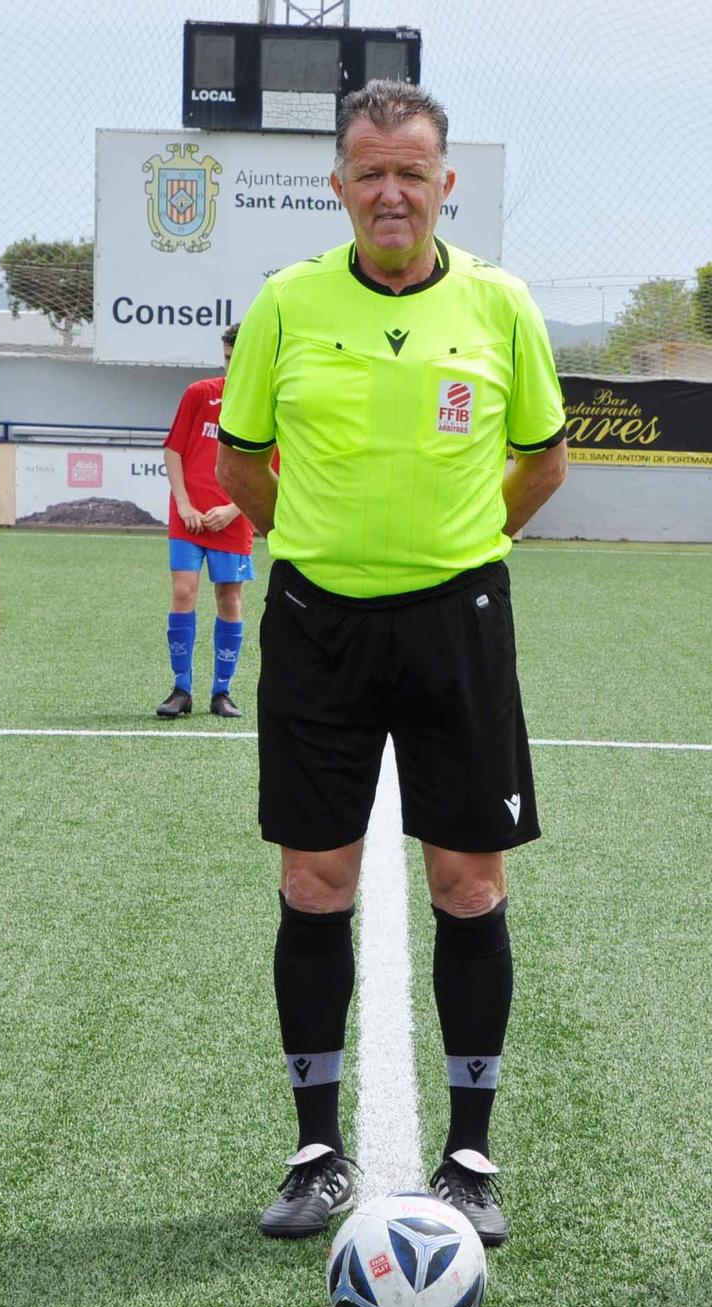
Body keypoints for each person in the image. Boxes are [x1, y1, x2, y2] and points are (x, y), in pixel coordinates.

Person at [215, 78, 567, 1247]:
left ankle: (470, 1153)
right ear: (337, 184)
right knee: (313, 881)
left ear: (444, 183)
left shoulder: (501, 305)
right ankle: (315, 1150)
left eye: (411, 172)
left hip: (457, 620)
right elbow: (243, 464)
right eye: (368, 171)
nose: (390, 192)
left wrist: (459, 545)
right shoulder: (284, 304)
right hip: (318, 621)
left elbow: (540, 463)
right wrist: (320, 546)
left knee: (467, 883)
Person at [158, 323, 251, 719]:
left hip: (232, 518)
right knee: (183, 592)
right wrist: (184, 505)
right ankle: (181, 689)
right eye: (227, 359)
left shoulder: (265, 402)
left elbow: (271, 468)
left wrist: (233, 508)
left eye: (239, 359)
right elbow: (173, 450)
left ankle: (222, 693)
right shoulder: (199, 393)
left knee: (229, 598)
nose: (232, 367)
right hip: (189, 519)